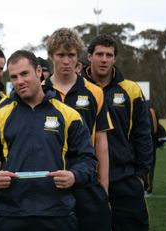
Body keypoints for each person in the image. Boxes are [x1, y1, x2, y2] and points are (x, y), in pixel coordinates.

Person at [0, 50, 97, 231]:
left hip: (57, 213)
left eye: (25, 74)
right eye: (14, 77)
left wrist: (74, 176)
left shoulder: (69, 115)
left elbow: (87, 159)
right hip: (9, 213)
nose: (20, 81)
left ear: (38, 71)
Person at [43, 28, 112, 231]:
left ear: (78, 58)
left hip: (85, 181)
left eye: (71, 55)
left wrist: (104, 186)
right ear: (51, 56)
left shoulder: (94, 92)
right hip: (49, 182)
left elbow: (101, 141)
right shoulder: (39, 91)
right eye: (60, 55)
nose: (66, 61)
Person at [82, 34, 153, 231]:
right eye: (99, 54)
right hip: (86, 182)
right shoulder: (78, 89)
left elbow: (143, 135)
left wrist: (140, 176)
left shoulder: (130, 89)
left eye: (109, 55)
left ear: (115, 58)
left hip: (125, 180)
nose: (104, 59)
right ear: (89, 56)